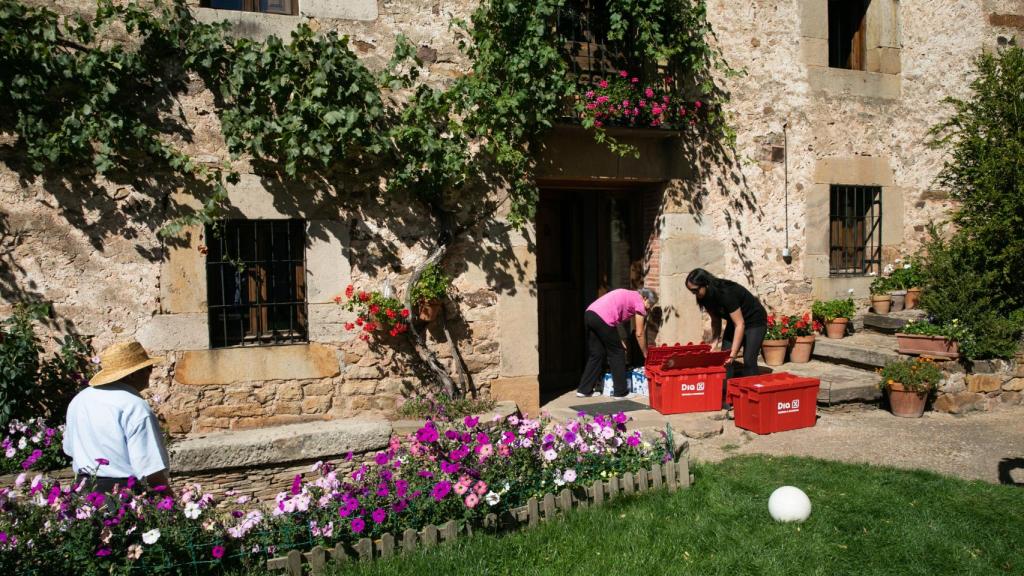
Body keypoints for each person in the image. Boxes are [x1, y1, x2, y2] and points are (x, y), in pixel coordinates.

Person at [64, 340, 172, 494]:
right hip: (121, 495)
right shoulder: (135, 406)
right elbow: (150, 468)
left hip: (83, 492)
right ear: (134, 374)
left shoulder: (80, 400)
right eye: (148, 368)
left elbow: (69, 449)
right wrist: (172, 501)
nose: (151, 373)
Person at [685, 268, 768, 383]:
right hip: (735, 323)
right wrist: (714, 342)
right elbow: (715, 319)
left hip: (754, 321)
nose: (694, 294)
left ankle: (752, 393)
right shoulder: (704, 297)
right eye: (692, 291)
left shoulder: (726, 293)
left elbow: (740, 324)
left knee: (748, 359)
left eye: (695, 290)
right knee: (725, 359)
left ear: (706, 284)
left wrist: (733, 354)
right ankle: (725, 394)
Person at [576, 287, 658, 398]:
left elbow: (614, 317)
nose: (648, 309)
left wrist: (618, 340)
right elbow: (639, 333)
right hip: (603, 318)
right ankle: (621, 392)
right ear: (644, 297)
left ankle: (584, 390)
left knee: (597, 353)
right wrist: (645, 353)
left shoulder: (629, 295)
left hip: (590, 314)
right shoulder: (639, 303)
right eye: (650, 304)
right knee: (617, 353)